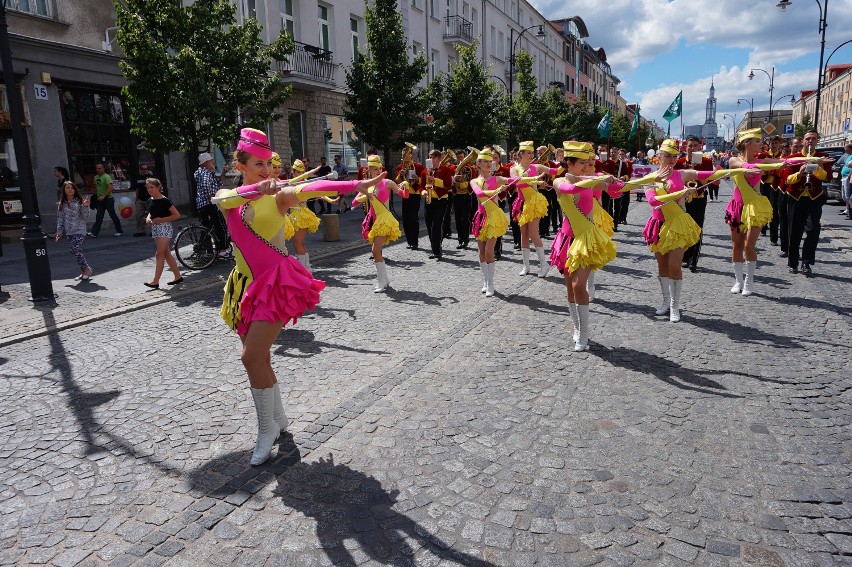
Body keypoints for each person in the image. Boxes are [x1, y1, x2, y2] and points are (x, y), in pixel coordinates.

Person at [215, 127, 385, 465]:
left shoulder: (278, 196)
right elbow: (224, 200)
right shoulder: (227, 195)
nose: (267, 171)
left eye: (269, 164)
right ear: (242, 163)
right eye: (259, 164)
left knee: (250, 357)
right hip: (244, 286)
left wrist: (353, 184)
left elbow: (311, 187)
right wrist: (252, 189)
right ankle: (279, 421)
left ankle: (266, 431)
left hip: (277, 284)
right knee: (260, 358)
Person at [643, 139, 729, 321]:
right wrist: (680, 194)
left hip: (678, 225)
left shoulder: (682, 174)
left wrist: (732, 170)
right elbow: (653, 202)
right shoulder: (650, 179)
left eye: (675, 156)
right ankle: (665, 302)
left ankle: (675, 306)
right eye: (668, 156)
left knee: (675, 265)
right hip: (658, 225)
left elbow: (706, 174)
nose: (672, 159)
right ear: (659, 157)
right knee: (662, 266)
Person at [551, 142, 619, 351]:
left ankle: (585, 333)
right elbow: (570, 188)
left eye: (587, 162)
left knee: (579, 285)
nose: (586, 166)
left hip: (585, 240)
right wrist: (595, 179)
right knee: (570, 287)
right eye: (581, 163)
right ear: (569, 163)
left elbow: (617, 190)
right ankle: (577, 327)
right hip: (566, 239)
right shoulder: (559, 181)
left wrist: (649, 180)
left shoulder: (590, 179)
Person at [352, 154, 407, 292]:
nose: (373, 171)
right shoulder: (367, 184)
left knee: (375, 250)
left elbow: (404, 195)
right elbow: (353, 202)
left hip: (384, 220)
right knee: (376, 251)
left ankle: (382, 282)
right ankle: (385, 280)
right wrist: (362, 193)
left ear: (380, 168)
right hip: (373, 221)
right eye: (371, 169)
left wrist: (405, 184)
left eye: (376, 169)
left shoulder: (388, 183)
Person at [783, 129, 832, 276]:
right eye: (808, 139)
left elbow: (827, 177)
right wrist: (800, 173)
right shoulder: (793, 158)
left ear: (817, 141)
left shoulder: (822, 157)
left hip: (814, 197)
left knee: (812, 230)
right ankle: (793, 262)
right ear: (803, 141)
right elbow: (786, 179)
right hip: (796, 197)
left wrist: (817, 169)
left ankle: (807, 262)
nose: (810, 141)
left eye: (813, 139)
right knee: (794, 231)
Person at [470, 148, 517, 297]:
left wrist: (527, 176)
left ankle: (491, 283)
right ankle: (485, 280)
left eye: (491, 161)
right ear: (478, 164)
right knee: (481, 252)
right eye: (486, 161)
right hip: (480, 217)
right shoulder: (474, 181)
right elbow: (479, 193)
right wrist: (496, 191)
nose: (489, 164)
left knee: (489, 251)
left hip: (494, 217)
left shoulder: (496, 179)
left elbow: (513, 180)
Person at [511, 141, 555, 277]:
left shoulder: (536, 167)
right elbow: (517, 182)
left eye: (532, 153)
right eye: (529, 153)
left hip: (534, 202)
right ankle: (526, 266)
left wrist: (564, 165)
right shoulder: (514, 169)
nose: (532, 155)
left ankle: (544, 264)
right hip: (521, 202)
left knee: (533, 233)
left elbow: (554, 171)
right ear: (521, 154)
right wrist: (535, 179)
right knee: (523, 234)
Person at [675, 136, 712, 273]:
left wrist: (696, 172)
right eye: (690, 145)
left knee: (697, 227)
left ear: (699, 147)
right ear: (686, 147)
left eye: (695, 146)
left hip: (699, 197)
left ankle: (693, 260)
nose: (692, 148)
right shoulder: (679, 162)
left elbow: (709, 179)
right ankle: (684, 256)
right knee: (683, 227)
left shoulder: (706, 161)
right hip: (683, 199)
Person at [143, 178, 183, 288]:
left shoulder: (165, 201)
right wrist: (148, 218)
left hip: (164, 227)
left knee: (159, 254)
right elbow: (151, 212)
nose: (149, 190)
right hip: (155, 228)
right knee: (166, 254)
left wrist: (161, 219)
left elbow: (176, 215)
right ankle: (178, 276)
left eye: (152, 187)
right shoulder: (150, 200)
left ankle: (155, 281)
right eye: (148, 187)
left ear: (158, 188)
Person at [289, 159, 322, 270]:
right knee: (299, 243)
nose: (300, 174)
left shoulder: (301, 184)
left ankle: (303, 269)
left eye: (301, 172)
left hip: (300, 215)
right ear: (293, 172)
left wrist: (329, 199)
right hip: (295, 214)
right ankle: (306, 267)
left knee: (298, 243)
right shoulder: (296, 182)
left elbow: (318, 192)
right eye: (298, 172)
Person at [421, 149, 454, 260]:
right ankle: (434, 247)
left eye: (433, 157)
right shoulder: (425, 171)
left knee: (436, 225)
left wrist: (434, 180)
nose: (430, 159)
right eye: (429, 157)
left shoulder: (445, 170)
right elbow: (421, 185)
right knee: (429, 225)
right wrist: (423, 191)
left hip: (441, 200)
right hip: (429, 200)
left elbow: (448, 185)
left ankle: (437, 251)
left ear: (439, 158)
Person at [55, 181, 92, 281]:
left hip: (80, 229)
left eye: (72, 188)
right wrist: (59, 232)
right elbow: (60, 219)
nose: (70, 189)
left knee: (75, 248)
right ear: (64, 190)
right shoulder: (62, 204)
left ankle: (87, 269)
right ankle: (84, 270)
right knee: (75, 250)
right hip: (69, 231)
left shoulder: (79, 201)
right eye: (68, 188)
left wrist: (85, 206)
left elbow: (85, 216)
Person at [194, 152, 229, 254]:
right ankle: (223, 248)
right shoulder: (206, 173)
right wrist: (213, 199)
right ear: (205, 162)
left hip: (201, 204)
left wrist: (223, 173)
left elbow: (218, 183)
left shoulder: (203, 172)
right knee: (220, 225)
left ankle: (207, 250)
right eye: (211, 160)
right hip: (209, 203)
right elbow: (206, 186)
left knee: (206, 227)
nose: (213, 162)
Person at [396, 144, 425, 250]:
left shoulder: (418, 166)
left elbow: (423, 181)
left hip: (415, 194)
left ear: (411, 156)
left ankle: (415, 241)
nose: (404, 157)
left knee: (413, 217)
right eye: (403, 155)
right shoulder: (400, 167)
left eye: (406, 155)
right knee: (406, 218)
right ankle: (409, 241)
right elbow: (397, 182)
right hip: (405, 194)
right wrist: (400, 174)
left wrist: (417, 179)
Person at [88, 162, 123, 237]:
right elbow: (96, 187)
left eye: (99, 168)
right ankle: (94, 233)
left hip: (108, 199)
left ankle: (119, 231)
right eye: (96, 168)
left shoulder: (106, 177)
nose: (97, 170)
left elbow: (110, 188)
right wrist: (95, 196)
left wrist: (103, 196)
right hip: (99, 199)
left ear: (103, 168)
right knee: (99, 216)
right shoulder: (96, 177)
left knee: (112, 215)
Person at [612, 148, 633, 228]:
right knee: (611, 205)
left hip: (623, 185)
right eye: (619, 154)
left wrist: (624, 178)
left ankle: (622, 218)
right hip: (612, 185)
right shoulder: (611, 162)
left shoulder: (628, 163)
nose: (620, 156)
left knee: (624, 202)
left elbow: (629, 174)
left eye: (622, 154)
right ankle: (613, 220)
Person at [132, 166, 151, 237]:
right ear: (140, 170)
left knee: (152, 215)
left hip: (149, 199)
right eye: (143, 169)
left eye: (146, 169)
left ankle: (154, 230)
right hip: (140, 199)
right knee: (138, 215)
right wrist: (136, 199)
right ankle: (141, 231)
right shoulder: (138, 178)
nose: (145, 170)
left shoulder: (150, 177)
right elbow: (137, 189)